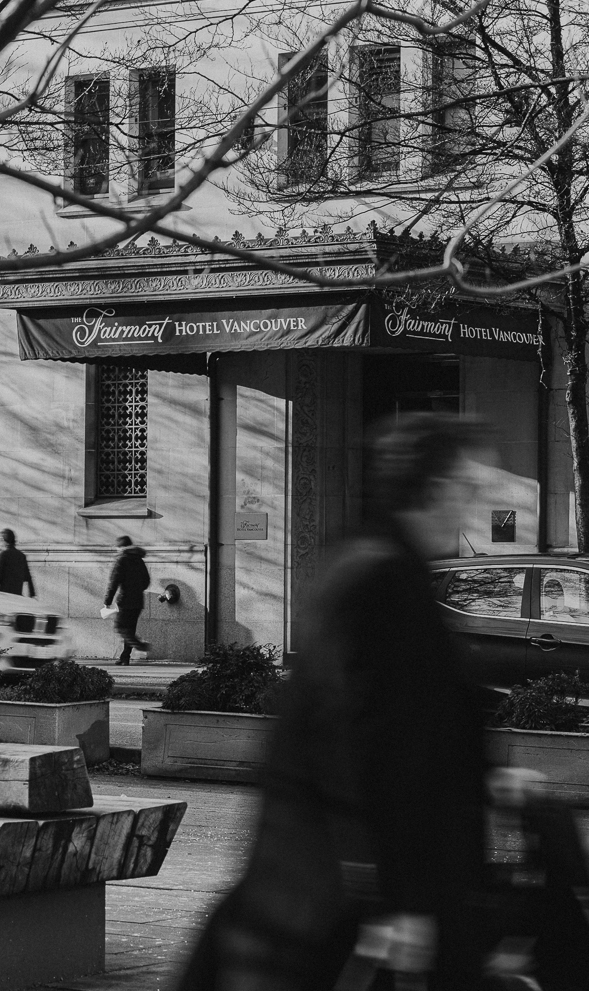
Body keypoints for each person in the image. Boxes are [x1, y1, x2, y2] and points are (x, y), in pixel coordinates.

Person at [177, 413, 495, 991]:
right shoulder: (379, 580)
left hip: (336, 890)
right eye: (469, 489)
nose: (474, 507)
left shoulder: (377, 568)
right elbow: (365, 747)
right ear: (434, 489)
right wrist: (400, 898)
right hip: (338, 901)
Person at [104, 535, 151, 665]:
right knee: (130, 629)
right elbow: (146, 581)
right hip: (138, 601)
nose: (117, 550)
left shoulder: (122, 560)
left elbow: (113, 582)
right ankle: (125, 657)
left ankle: (139, 645)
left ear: (121, 547)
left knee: (120, 627)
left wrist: (107, 601)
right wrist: (137, 589)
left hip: (125, 600)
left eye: (117, 547)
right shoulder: (139, 560)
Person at [0, 529, 35, 597]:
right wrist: (32, 594)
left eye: (0, 540)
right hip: (17, 596)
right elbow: (28, 577)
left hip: (4, 595)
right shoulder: (21, 556)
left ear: (4, 540)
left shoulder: (4, 555)